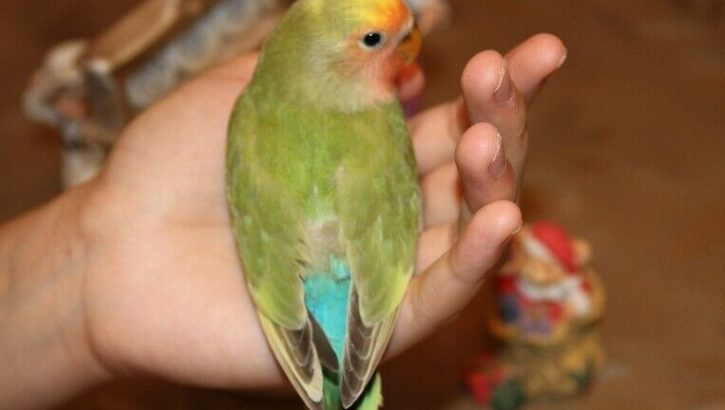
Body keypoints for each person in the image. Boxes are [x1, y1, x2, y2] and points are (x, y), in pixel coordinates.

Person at [0, 34, 566, 408]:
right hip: (343, 308)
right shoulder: (267, 114)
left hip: (326, 308)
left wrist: (88, 266)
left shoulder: (330, 107)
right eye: (374, 38)